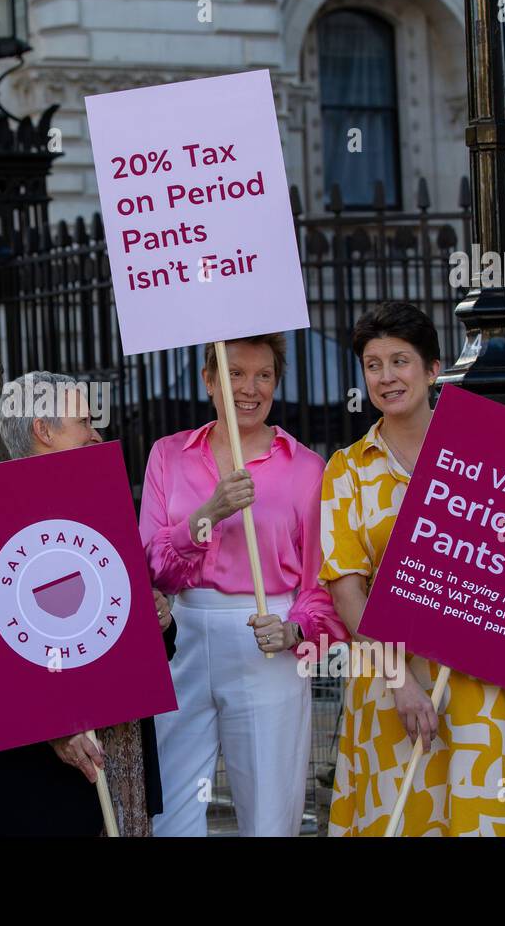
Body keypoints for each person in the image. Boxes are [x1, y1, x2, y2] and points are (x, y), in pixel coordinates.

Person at [320, 300, 505, 836]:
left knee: (483, 815)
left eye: (400, 361)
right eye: (373, 364)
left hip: (484, 678)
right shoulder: (347, 471)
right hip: (393, 680)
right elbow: (348, 591)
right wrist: (400, 681)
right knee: (404, 814)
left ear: (433, 370)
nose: (386, 377)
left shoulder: (488, 452)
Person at [139, 334, 348, 837]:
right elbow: (152, 567)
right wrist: (207, 515)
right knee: (171, 803)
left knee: (270, 807)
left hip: (267, 638)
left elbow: (323, 582)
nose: (249, 388)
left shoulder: (306, 469)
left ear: (277, 383)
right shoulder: (169, 456)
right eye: (234, 373)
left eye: (263, 375)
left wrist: (296, 632)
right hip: (181, 635)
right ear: (209, 379)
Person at [0, 370, 178, 836]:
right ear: (43, 431)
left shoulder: (102, 503)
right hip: (37, 778)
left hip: (120, 749)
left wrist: (159, 619)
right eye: (83, 420)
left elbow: (140, 638)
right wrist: (54, 729)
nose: (95, 433)